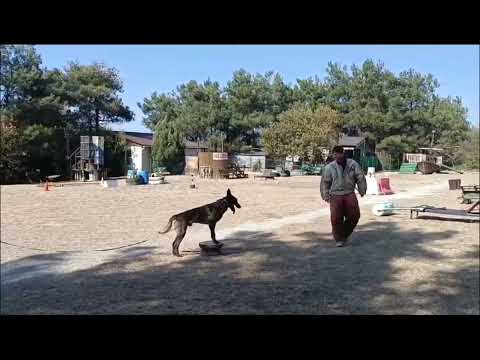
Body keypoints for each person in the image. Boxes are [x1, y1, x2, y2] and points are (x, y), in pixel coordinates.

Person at [320, 146, 367, 247]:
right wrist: (325, 195)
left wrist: (362, 189)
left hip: (349, 193)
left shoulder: (353, 164)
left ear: (343, 153)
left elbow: (360, 176)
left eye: (340, 153)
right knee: (336, 218)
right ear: (333, 155)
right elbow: (325, 182)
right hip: (335, 195)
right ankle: (339, 239)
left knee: (354, 216)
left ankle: (344, 234)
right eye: (336, 154)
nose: (338, 156)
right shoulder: (329, 167)